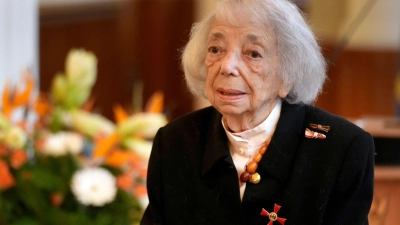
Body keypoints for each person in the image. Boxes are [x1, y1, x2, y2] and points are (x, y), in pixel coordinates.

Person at [140, 0, 374, 224]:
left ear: (288, 74)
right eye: (215, 49)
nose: (227, 66)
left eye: (253, 53)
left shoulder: (342, 149)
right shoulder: (175, 142)